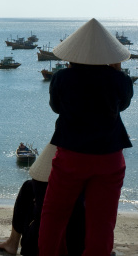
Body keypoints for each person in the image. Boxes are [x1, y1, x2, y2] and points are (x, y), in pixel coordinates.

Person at [39, 18, 134, 255]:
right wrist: (117, 72)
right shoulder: (119, 80)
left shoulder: (62, 78)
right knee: (102, 221)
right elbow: (121, 106)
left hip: (71, 154)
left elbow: (56, 108)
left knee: (54, 214)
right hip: (109, 155)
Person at [0, 144, 85, 255]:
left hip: (39, 246)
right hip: (79, 244)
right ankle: (12, 243)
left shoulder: (38, 185)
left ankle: (12, 242)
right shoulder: (86, 186)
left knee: (29, 189)